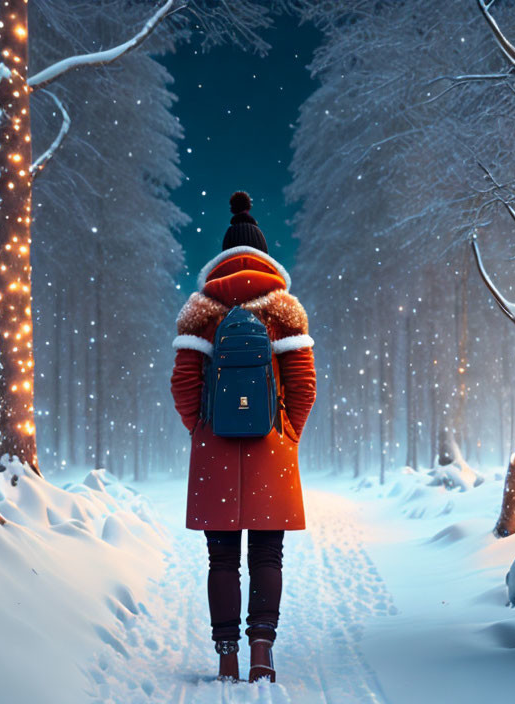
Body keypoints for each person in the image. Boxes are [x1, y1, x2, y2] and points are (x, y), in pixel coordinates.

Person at [170, 191, 317, 683]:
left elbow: (184, 383)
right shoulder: (285, 309)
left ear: (223, 257)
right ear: (264, 255)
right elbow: (304, 385)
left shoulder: (200, 310)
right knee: (267, 555)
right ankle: (261, 651)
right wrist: (287, 432)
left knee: (222, 558)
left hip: (215, 449)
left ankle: (226, 655)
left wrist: (200, 428)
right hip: (271, 448)